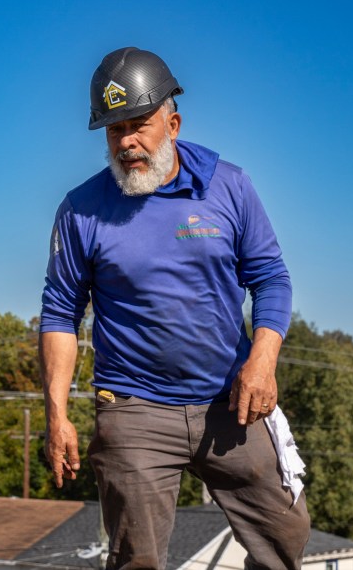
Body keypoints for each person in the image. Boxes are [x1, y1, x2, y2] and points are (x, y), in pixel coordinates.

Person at [39, 48, 310, 570]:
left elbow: (271, 277)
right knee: (135, 560)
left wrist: (263, 360)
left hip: (231, 401)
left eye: (139, 125)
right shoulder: (81, 210)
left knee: (286, 536)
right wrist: (57, 413)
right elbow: (59, 313)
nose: (128, 142)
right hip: (134, 409)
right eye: (114, 131)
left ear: (174, 122)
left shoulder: (228, 186)